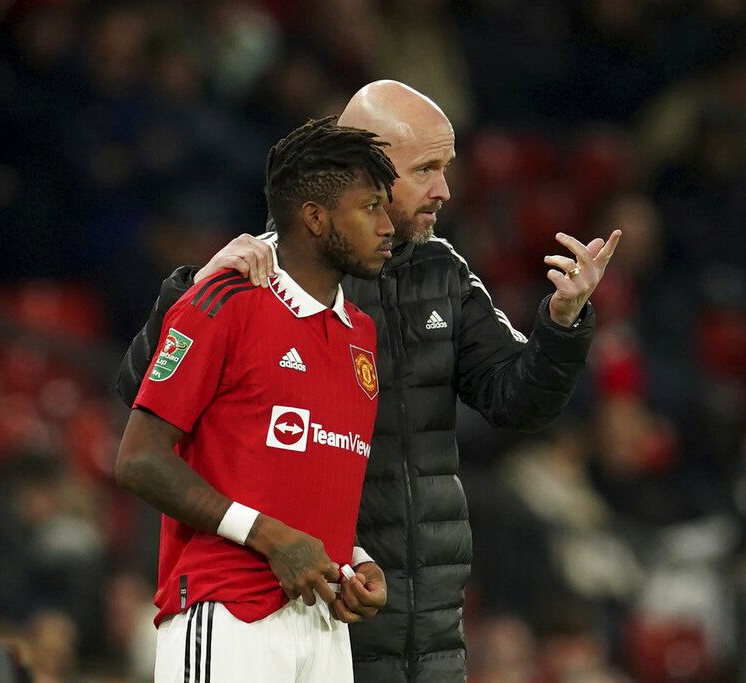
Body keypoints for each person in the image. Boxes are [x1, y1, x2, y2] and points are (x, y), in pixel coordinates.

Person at [117, 80, 621, 681]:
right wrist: (193, 287)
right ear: (367, 167)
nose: (445, 190)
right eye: (425, 168)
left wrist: (562, 325)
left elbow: (516, 399)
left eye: (447, 167)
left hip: (405, 606)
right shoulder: (259, 279)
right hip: (282, 598)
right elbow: (147, 404)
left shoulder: (433, 277)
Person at [115, 118, 398, 681]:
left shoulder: (360, 332)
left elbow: (298, 474)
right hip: (227, 613)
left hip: (322, 624)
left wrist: (356, 560)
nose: (389, 225)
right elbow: (139, 458)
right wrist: (268, 537)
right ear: (315, 217)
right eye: (370, 207)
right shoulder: (226, 300)